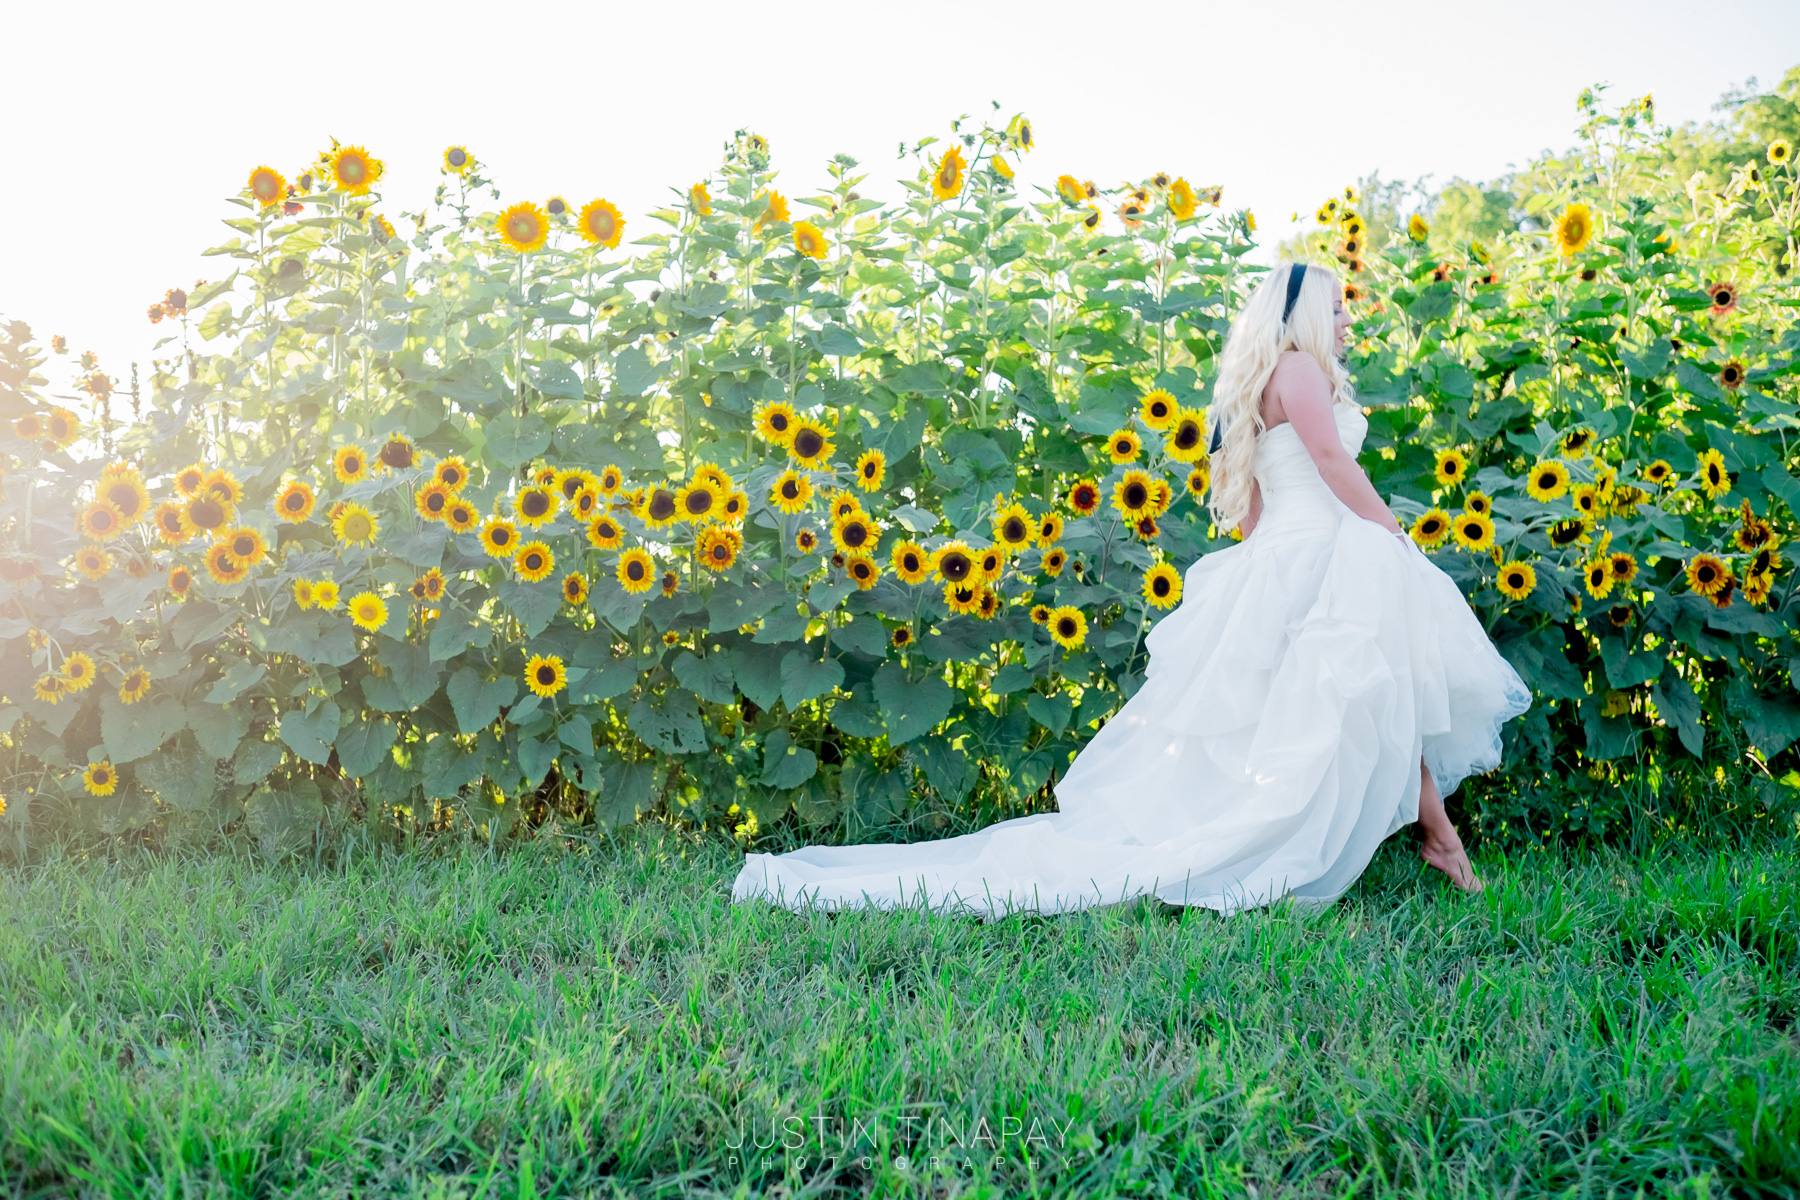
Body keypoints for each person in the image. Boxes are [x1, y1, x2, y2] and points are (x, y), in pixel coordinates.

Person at [730, 261, 1531, 921]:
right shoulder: (1301, 371)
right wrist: (1392, 537)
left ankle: (1440, 839)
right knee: (1381, 689)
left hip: (1284, 559)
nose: (1348, 322)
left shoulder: (1250, 390)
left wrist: (1273, 586)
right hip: (1327, 549)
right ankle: (1441, 843)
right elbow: (1331, 464)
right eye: (1338, 308)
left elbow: (1252, 511)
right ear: (1304, 316)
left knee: (1367, 695)